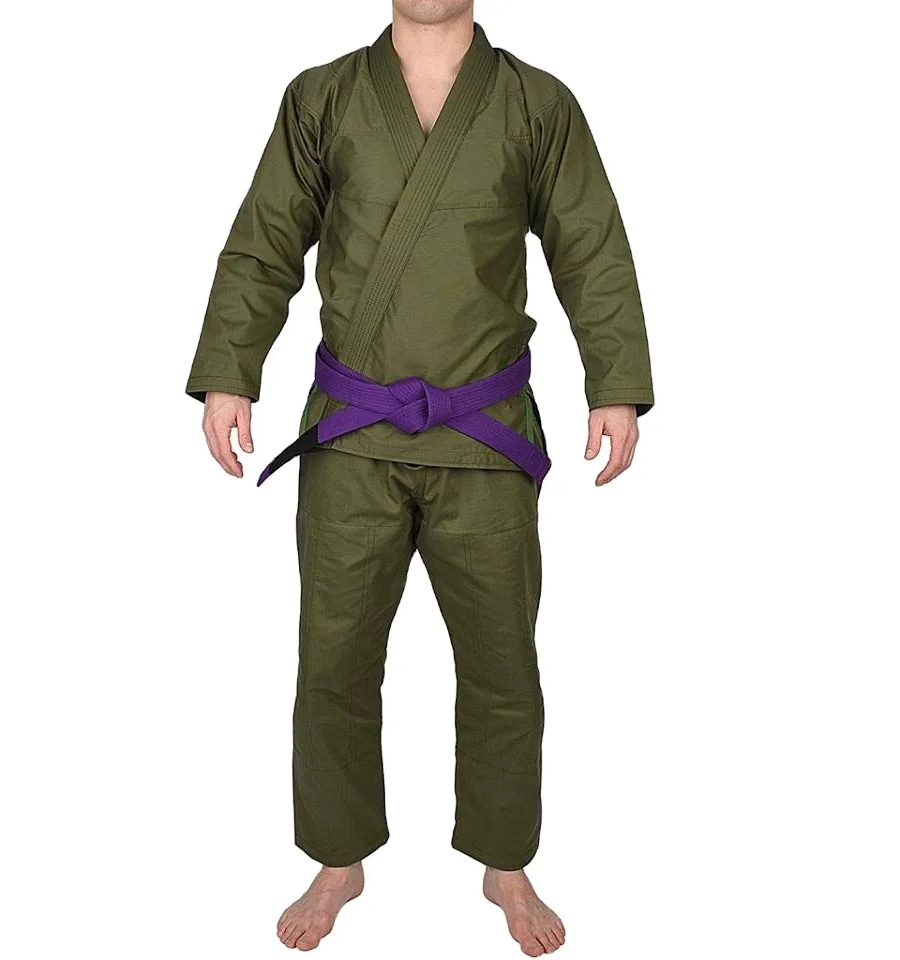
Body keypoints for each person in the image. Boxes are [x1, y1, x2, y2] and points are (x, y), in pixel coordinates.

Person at [185, 1, 653, 954]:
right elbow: (266, 238)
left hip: (485, 439)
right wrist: (232, 369)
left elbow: (591, 246)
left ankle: (505, 863)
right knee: (333, 663)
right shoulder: (321, 99)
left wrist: (615, 384)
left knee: (503, 668)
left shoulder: (537, 105)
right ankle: (338, 858)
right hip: (352, 437)